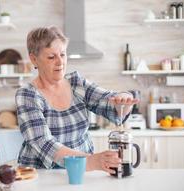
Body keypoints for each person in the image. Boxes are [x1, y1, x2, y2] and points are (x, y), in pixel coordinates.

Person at [15, 26, 139, 174]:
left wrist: (123, 98)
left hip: (82, 173)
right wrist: (92, 161)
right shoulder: (27, 95)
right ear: (34, 59)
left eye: (63, 54)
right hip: (42, 176)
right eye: (51, 57)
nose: (60, 62)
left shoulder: (76, 83)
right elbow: (45, 144)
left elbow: (108, 101)